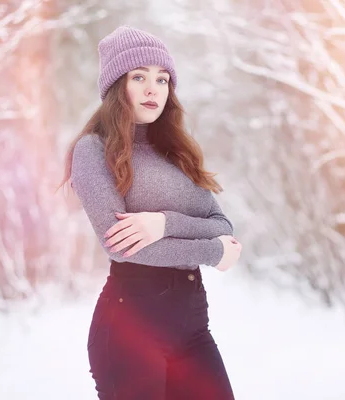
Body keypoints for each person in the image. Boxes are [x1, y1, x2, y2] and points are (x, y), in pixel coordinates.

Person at [59, 25, 241, 399]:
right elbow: (121, 246)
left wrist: (162, 224)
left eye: (161, 79)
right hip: (130, 329)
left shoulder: (177, 152)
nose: (151, 88)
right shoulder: (94, 151)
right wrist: (214, 252)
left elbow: (221, 223)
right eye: (138, 76)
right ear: (115, 86)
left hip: (192, 327)